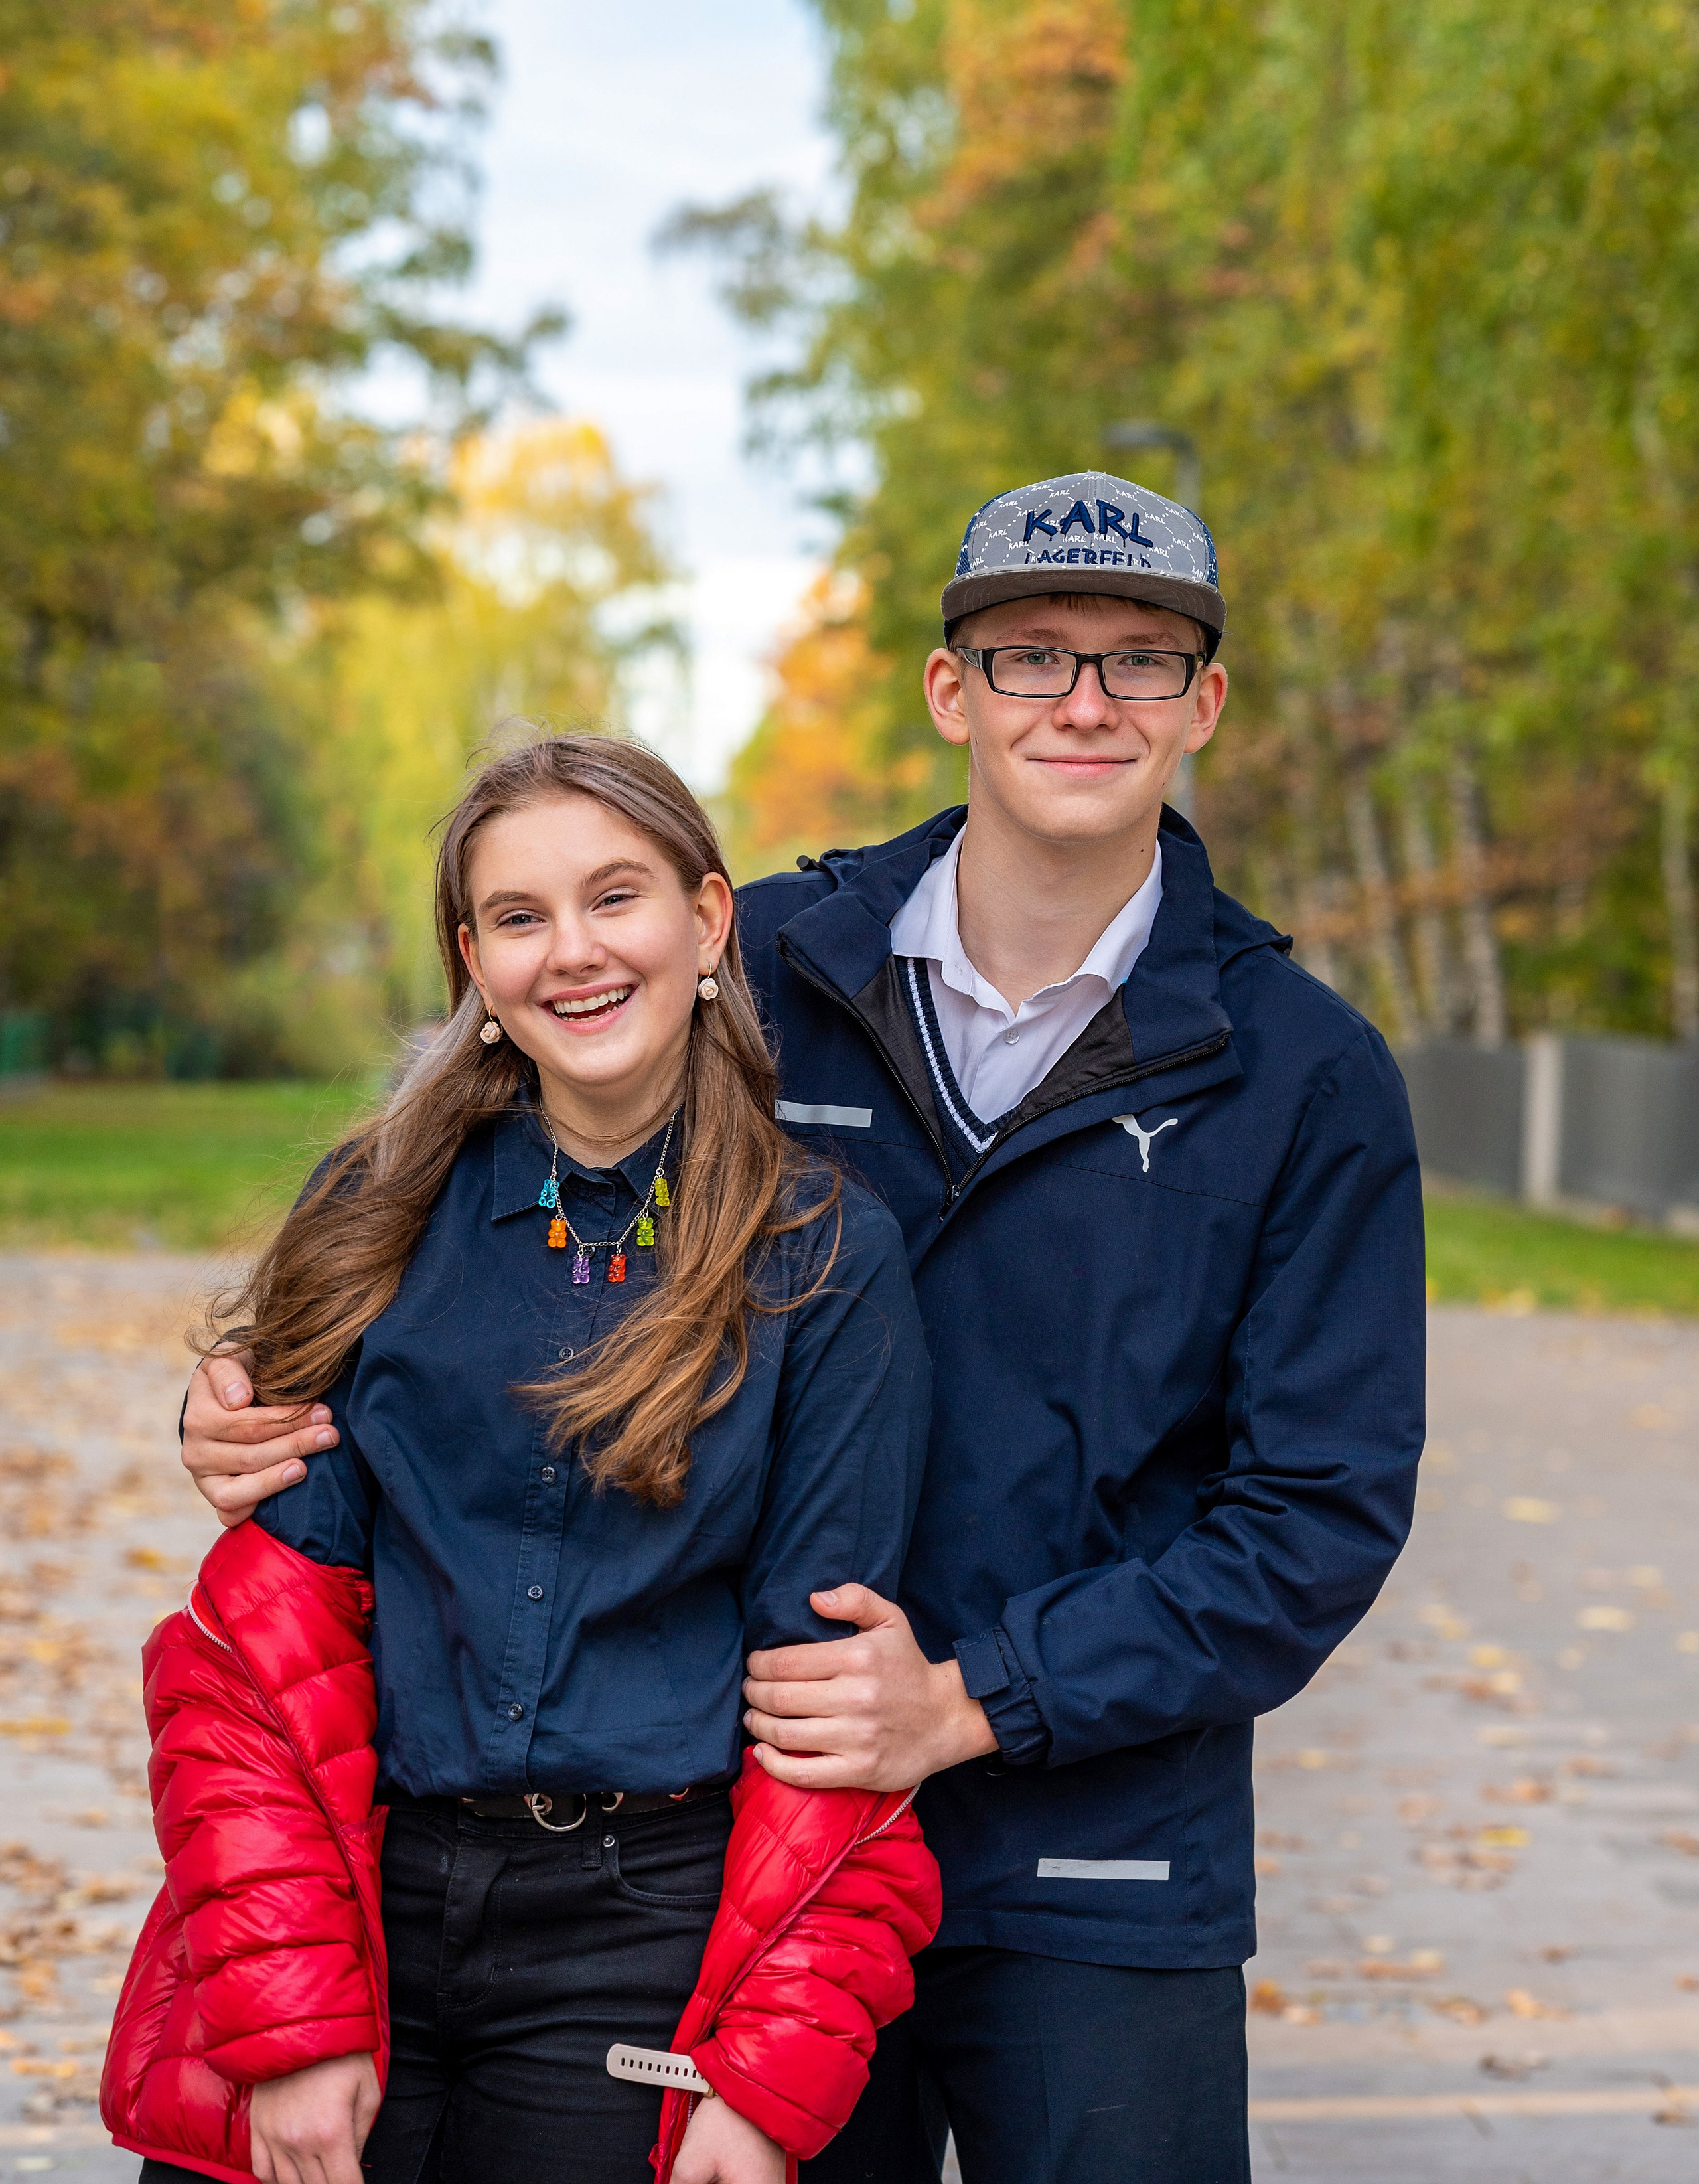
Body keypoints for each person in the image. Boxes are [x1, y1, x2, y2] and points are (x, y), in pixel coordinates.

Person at [176, 471, 1428, 2184]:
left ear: (1201, 704)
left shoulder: (1303, 1072)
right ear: (950, 690)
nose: (1082, 700)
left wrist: (975, 1699)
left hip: (1092, 1858)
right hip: (732, 1871)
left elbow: (1313, 1517)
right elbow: (468, 1224)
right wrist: (257, 1401)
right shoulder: (752, 957)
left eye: (1139, 660)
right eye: (1030, 654)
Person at [103, 738, 940, 2184]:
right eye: (518, 916)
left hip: (641, 1937)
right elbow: (260, 1659)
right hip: (357, 1890)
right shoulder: (373, 1211)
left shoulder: (821, 1257)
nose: (573, 951)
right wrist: (291, 2020)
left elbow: (831, 1716)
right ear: (474, 966)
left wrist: (761, 2076)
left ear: (708, 922)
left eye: (614, 897)